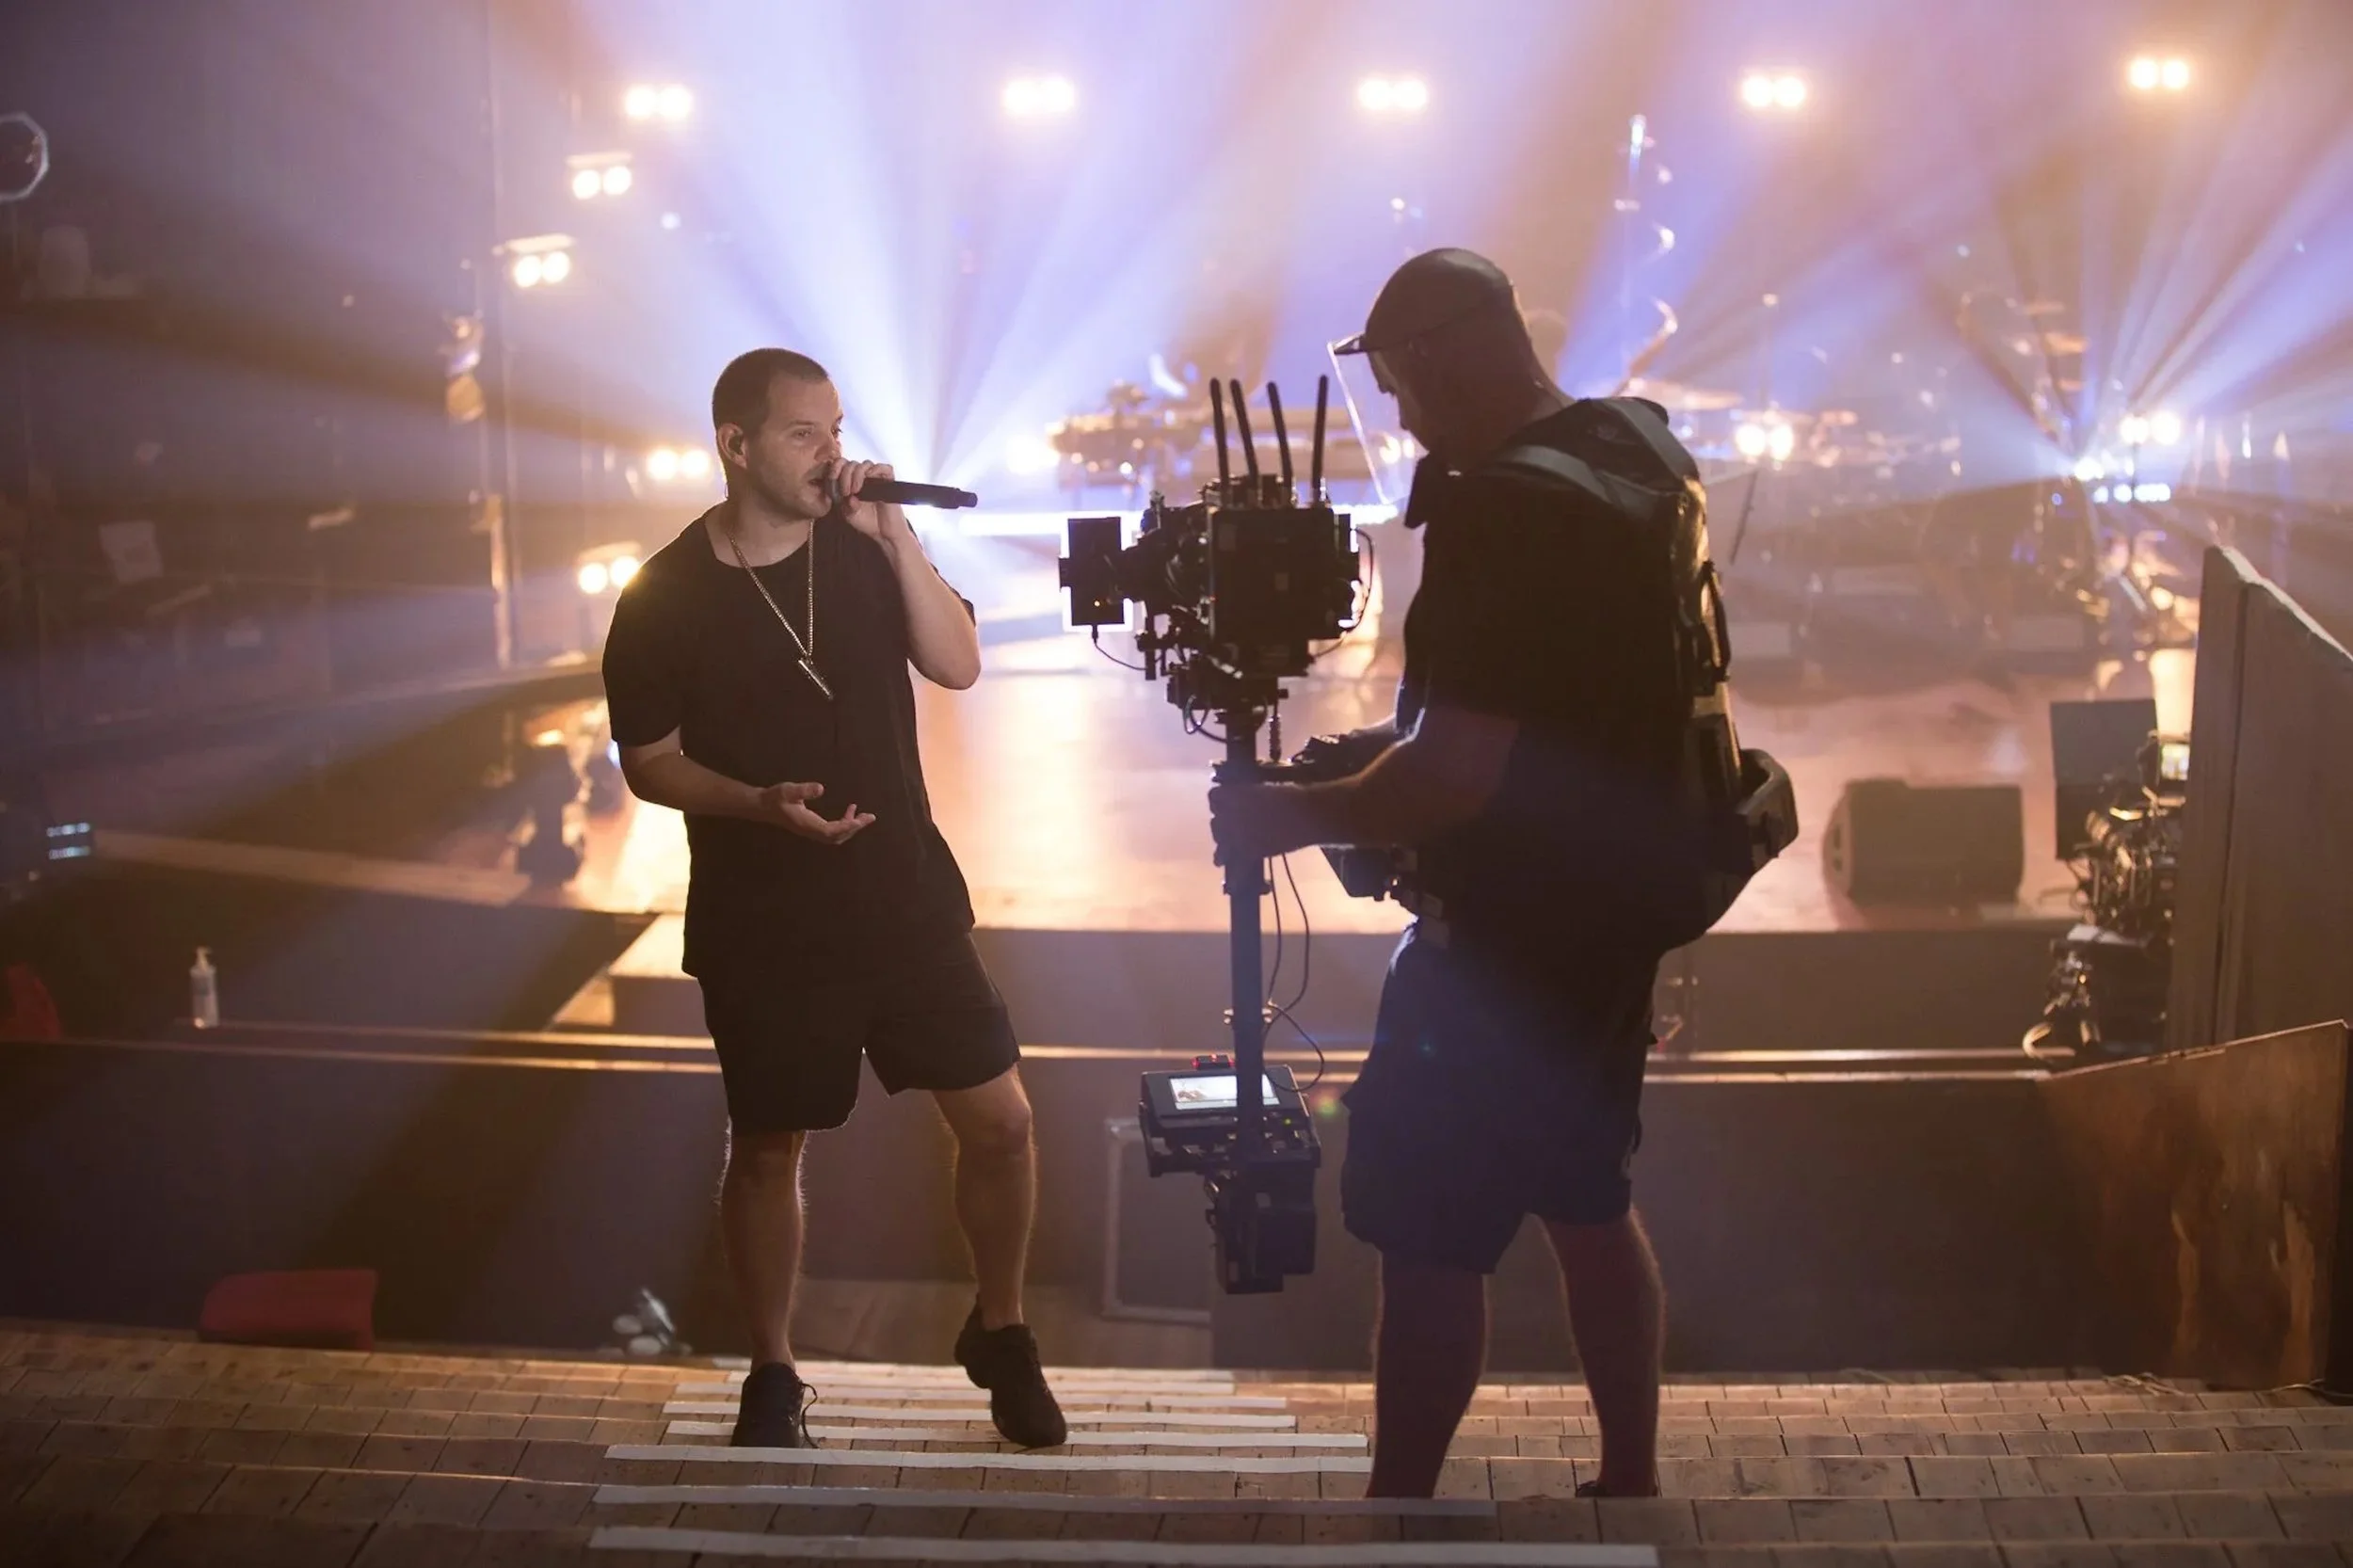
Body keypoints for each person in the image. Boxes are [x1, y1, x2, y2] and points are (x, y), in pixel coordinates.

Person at [1210, 249, 1705, 1499]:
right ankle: (1632, 1477)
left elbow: (1457, 778)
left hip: (1503, 941)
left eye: (1398, 384)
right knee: (1589, 1198)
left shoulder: (1505, 511)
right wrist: (1383, 761)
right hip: (1616, 916)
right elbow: (1579, 709)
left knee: (1429, 1238)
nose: (1397, 416)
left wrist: (1292, 814)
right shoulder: (1635, 455)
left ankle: (1399, 1506)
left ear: (1434, 357)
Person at [600, 348, 1064, 1450]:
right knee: (767, 1148)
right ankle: (772, 1368)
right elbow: (648, 761)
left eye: (838, 428)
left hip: (904, 900)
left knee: (1002, 1123)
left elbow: (957, 665)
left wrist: (897, 536)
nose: (833, 453)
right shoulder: (663, 595)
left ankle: (999, 1330)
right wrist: (758, 803)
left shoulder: (863, 557)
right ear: (738, 445)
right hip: (766, 921)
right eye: (806, 434)